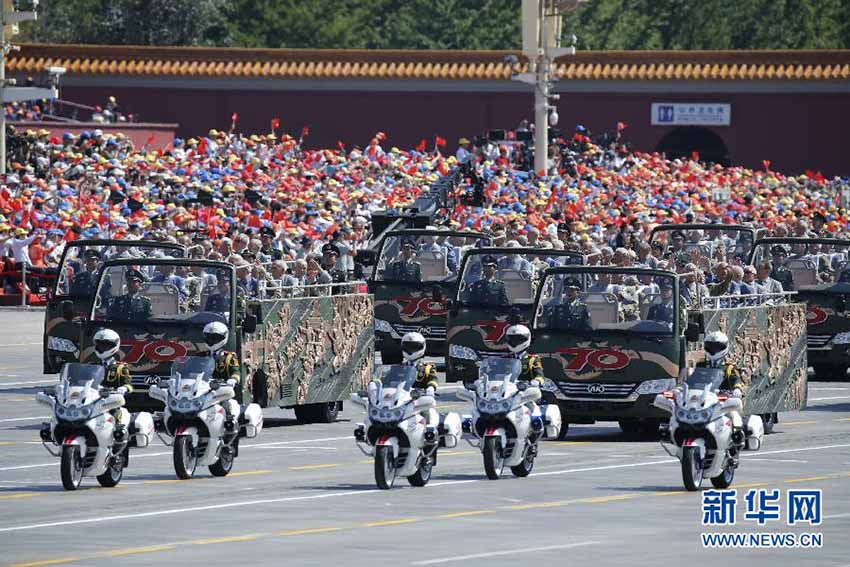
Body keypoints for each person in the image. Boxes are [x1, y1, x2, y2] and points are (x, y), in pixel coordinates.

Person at [92, 328, 133, 443]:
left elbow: (128, 384)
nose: (102, 348)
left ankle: (118, 439)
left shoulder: (120, 367)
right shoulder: (91, 366)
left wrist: (123, 388)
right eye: (100, 345)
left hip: (111, 400)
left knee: (115, 414)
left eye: (105, 345)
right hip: (93, 399)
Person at [202, 321, 241, 438]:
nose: (212, 341)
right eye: (209, 337)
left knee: (228, 407)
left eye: (215, 338)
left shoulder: (229, 357)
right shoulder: (200, 355)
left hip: (220, 390)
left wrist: (233, 380)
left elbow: (236, 371)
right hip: (202, 390)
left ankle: (230, 431)